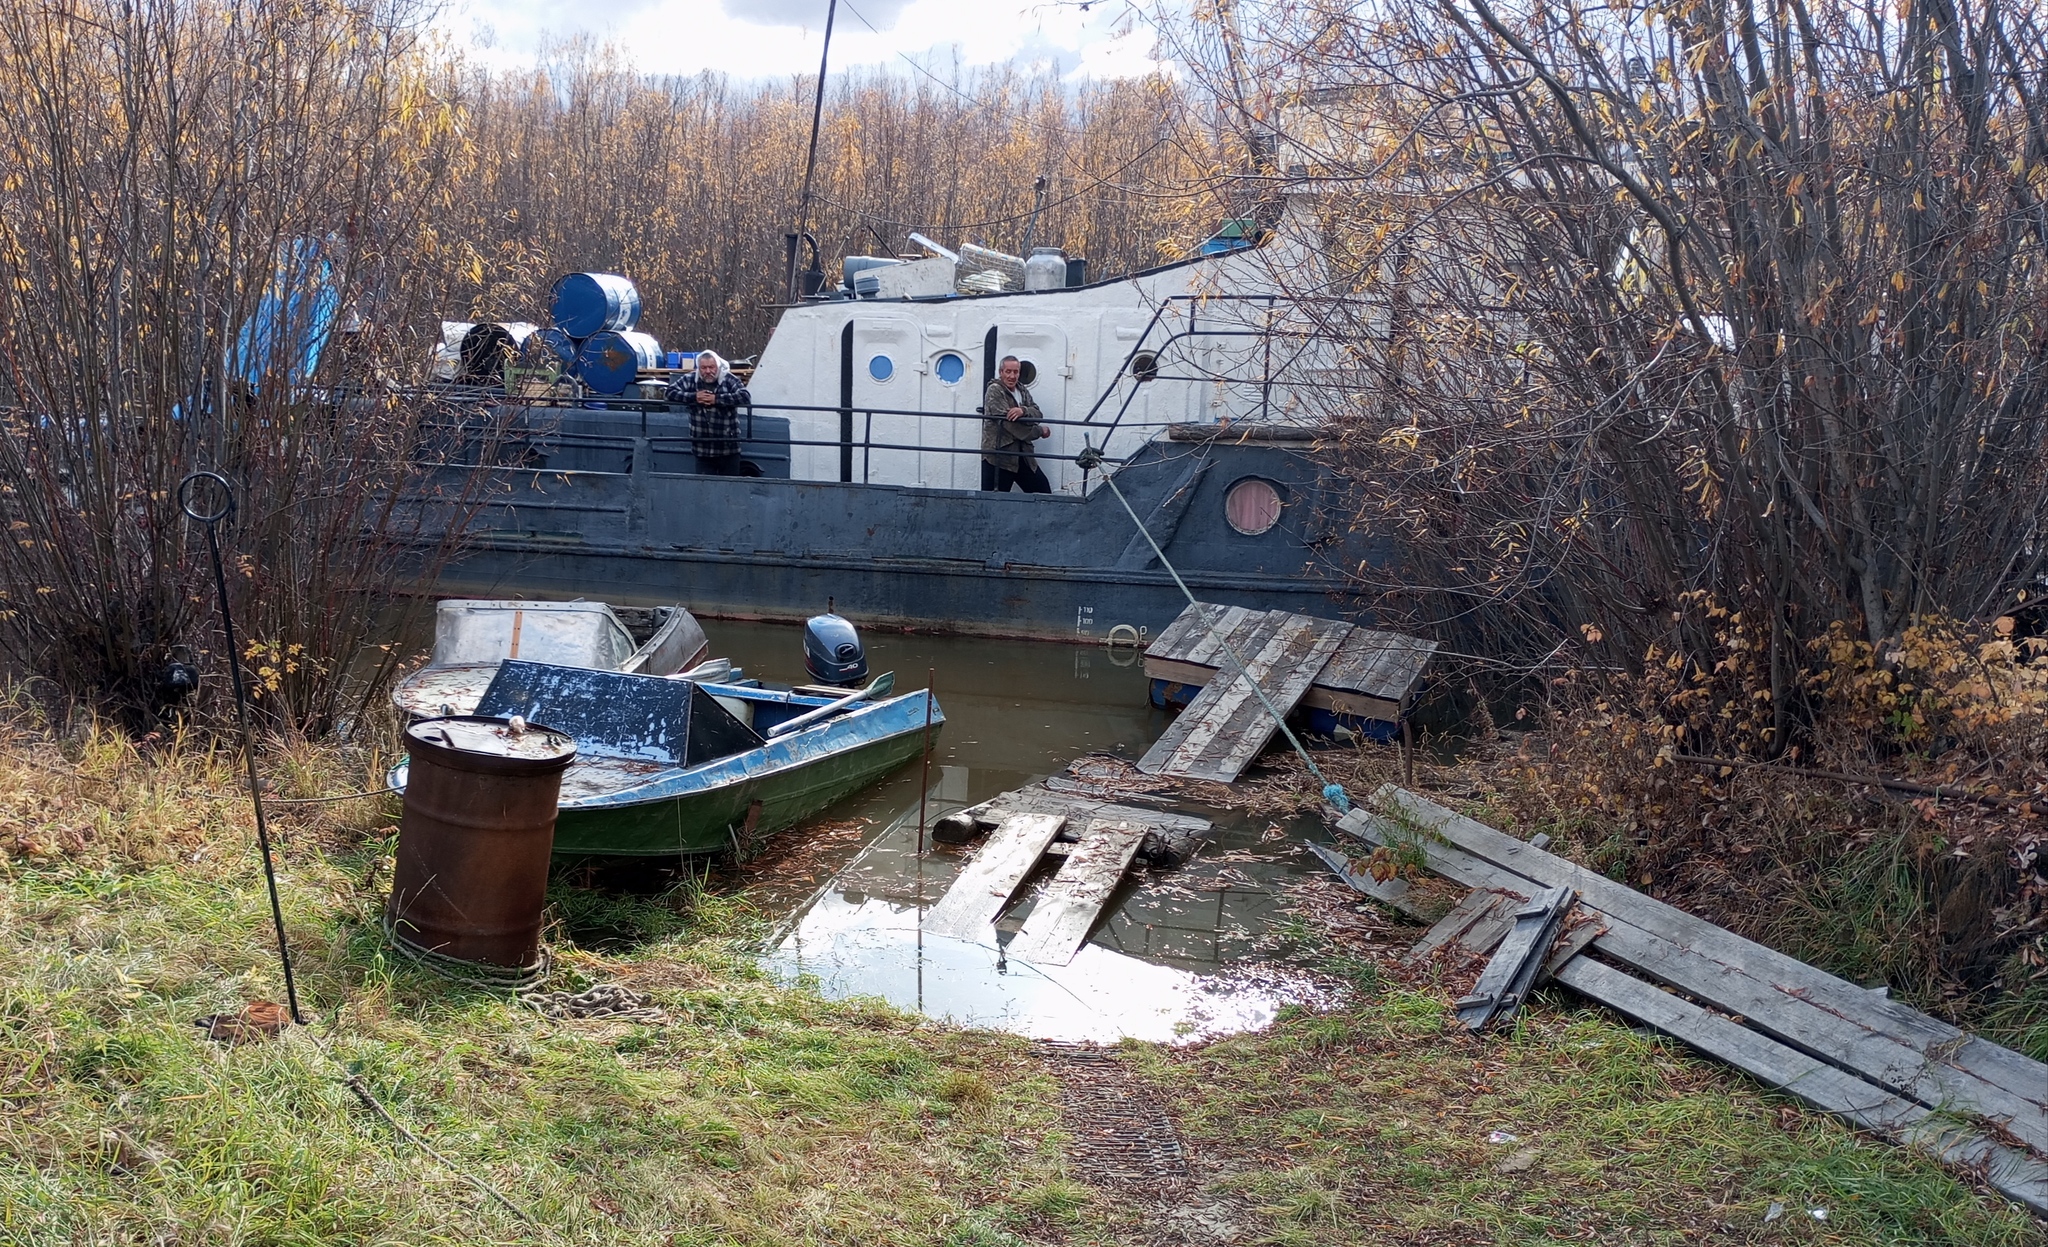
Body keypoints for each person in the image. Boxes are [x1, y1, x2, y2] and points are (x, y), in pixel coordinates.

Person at [670, 350, 757, 476]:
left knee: (729, 488)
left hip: (728, 450)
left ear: (718, 366)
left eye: (711, 367)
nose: (708, 371)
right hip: (702, 449)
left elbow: (745, 397)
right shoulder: (690, 380)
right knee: (704, 490)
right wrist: (694, 397)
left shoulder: (728, 379)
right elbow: (669, 393)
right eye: (704, 368)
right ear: (699, 368)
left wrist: (716, 399)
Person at [980, 355, 1052, 493]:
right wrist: (1040, 431)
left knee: (1043, 492)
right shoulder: (995, 390)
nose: (1012, 376)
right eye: (1008, 371)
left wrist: (1023, 410)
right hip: (999, 458)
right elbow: (1009, 425)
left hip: (1023, 456)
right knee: (993, 504)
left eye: (1016, 372)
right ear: (1001, 372)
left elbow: (1038, 413)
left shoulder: (1021, 389)